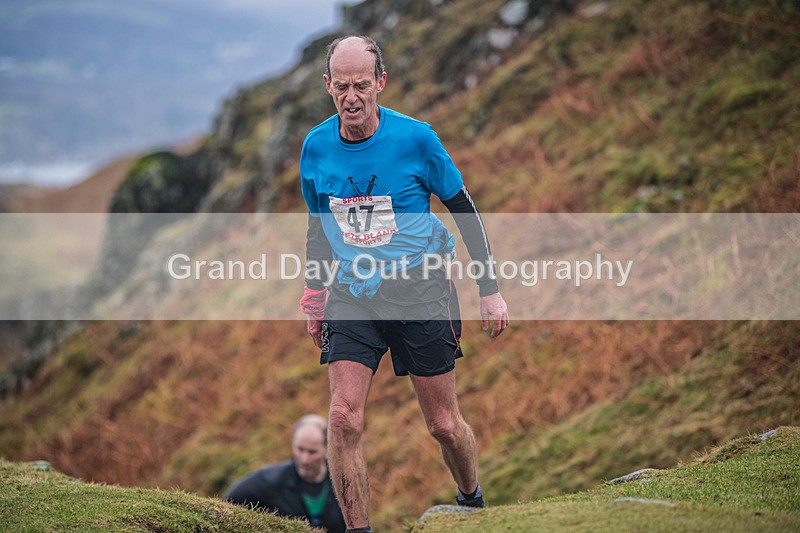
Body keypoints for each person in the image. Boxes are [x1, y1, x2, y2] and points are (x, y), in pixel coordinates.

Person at [299, 35, 509, 533]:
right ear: (329, 86)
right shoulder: (315, 147)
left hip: (422, 292)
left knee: (443, 425)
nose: (352, 98)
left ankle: (470, 501)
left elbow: (463, 207)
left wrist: (489, 287)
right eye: (342, 87)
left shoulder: (417, 139)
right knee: (344, 418)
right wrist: (314, 293)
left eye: (362, 86)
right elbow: (318, 225)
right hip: (354, 294)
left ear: (381, 83)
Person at [223, 414, 346, 532]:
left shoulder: (344, 485)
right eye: (300, 449)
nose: (304, 459)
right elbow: (225, 506)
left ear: (327, 449)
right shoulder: (269, 481)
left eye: (312, 452)